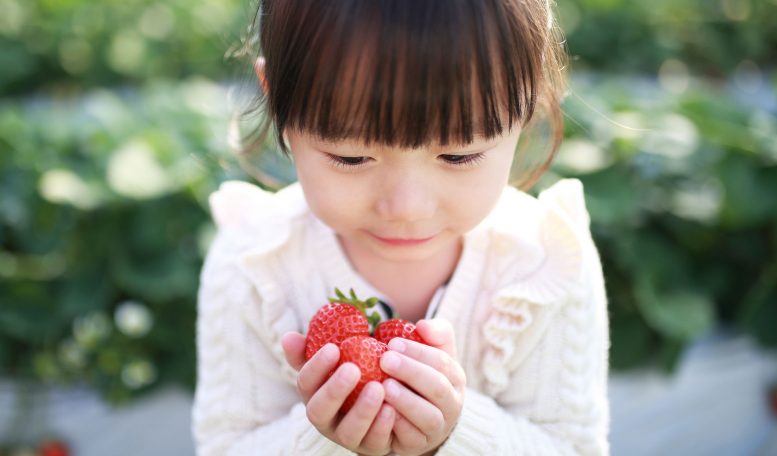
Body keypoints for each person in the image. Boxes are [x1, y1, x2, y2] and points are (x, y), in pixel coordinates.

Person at [192, 0, 610, 454]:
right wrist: (329, 431)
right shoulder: (255, 264)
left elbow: (574, 446)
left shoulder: (545, 266)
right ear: (277, 101)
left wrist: (454, 429)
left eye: (459, 156)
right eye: (351, 158)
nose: (406, 207)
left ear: (530, 99)